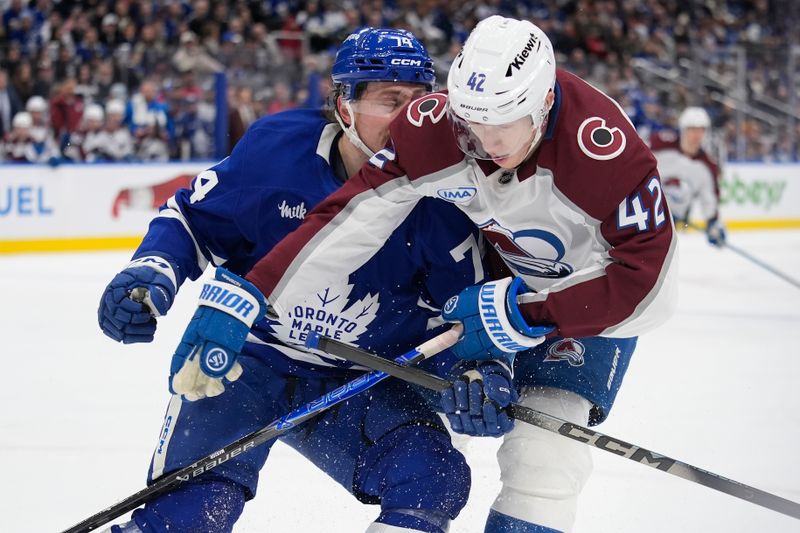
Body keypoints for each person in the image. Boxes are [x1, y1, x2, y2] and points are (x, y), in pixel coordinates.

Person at [172, 15, 679, 533]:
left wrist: (527, 312)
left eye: (504, 125)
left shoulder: (607, 156)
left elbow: (649, 288)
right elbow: (351, 219)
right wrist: (251, 294)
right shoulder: (437, 125)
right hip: (488, 291)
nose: (485, 145)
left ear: (544, 103)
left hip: (588, 296)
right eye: (471, 123)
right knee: (432, 465)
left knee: (542, 461)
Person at [97, 28, 484, 533]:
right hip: (250, 361)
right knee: (187, 515)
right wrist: (152, 272)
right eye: (391, 100)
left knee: (431, 478)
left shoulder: (444, 194)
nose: (410, 117)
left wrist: (476, 370)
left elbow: (464, 308)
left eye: (420, 100)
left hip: (363, 381)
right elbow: (194, 220)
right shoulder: (276, 150)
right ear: (344, 105)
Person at [650, 106, 726, 246]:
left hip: (668, 228)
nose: (696, 135)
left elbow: (709, 199)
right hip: (641, 214)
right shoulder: (660, 145)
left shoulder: (707, 167)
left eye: (701, 130)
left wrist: (713, 224)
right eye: (691, 129)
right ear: (683, 129)